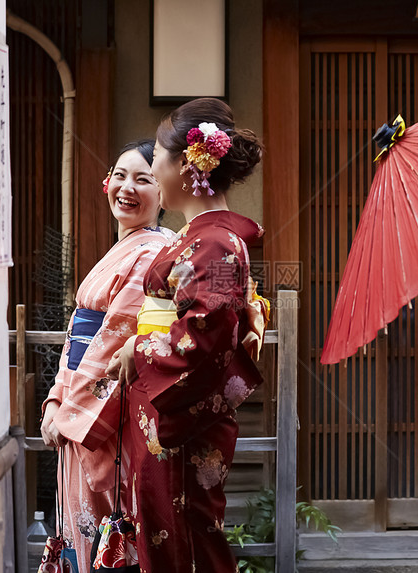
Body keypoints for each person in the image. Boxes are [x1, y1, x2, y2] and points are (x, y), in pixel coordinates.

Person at [106, 98, 266, 572]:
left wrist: (139, 348)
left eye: (156, 156)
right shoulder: (201, 236)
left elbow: (205, 332)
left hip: (179, 420)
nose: (152, 167)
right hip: (165, 413)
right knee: (171, 537)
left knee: (185, 542)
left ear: (186, 165)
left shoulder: (214, 241)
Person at [39, 139, 174, 570]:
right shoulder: (124, 248)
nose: (127, 187)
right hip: (80, 406)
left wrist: (70, 414)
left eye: (143, 179)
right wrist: (56, 400)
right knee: (85, 538)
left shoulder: (153, 251)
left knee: (111, 542)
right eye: (119, 175)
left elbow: (115, 342)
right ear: (106, 183)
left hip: (108, 423)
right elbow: (78, 336)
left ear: (164, 192)